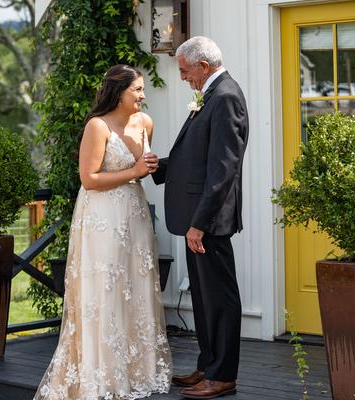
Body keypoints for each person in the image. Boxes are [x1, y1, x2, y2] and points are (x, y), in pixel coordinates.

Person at [34, 64, 172, 400]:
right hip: (102, 216)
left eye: (142, 89)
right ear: (118, 91)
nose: (142, 95)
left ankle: (138, 368)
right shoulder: (97, 126)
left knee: (135, 284)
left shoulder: (146, 123)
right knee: (107, 287)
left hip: (134, 213)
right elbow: (89, 179)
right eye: (136, 89)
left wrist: (145, 168)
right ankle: (104, 373)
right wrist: (135, 170)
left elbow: (141, 169)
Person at [152, 36, 249, 398]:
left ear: (203, 67)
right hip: (198, 219)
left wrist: (200, 223)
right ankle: (208, 365)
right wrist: (158, 166)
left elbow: (222, 169)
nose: (182, 77)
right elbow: (196, 156)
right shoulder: (211, 95)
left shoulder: (225, 97)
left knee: (220, 298)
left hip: (209, 222)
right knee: (205, 298)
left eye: (183, 70)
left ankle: (223, 375)